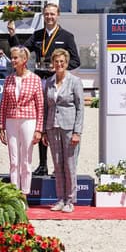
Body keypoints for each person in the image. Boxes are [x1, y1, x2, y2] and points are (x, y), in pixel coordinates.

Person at [8, 2, 80, 176]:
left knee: (56, 124)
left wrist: (59, 69)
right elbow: (23, 52)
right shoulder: (37, 35)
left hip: (57, 83)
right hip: (40, 82)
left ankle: (58, 165)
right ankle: (42, 164)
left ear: (58, 15)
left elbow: (77, 61)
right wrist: (12, 35)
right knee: (41, 122)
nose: (49, 17)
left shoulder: (67, 36)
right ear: (43, 15)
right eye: (46, 14)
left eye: (52, 14)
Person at [43, 48, 84, 213]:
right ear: (53, 63)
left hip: (69, 128)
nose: (59, 64)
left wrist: (77, 132)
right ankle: (60, 198)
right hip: (53, 127)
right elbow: (47, 107)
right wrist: (45, 130)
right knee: (57, 165)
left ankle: (70, 200)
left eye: (62, 62)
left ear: (67, 64)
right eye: (56, 61)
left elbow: (81, 108)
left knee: (70, 165)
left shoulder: (75, 81)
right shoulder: (49, 82)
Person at [0, 47, 44, 195]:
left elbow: (40, 106)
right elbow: (3, 104)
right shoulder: (8, 79)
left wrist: (39, 129)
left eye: (15, 58)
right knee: (13, 160)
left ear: (24, 60)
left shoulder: (35, 79)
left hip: (28, 120)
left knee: (26, 160)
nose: (12, 60)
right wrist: (1, 127)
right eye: (12, 57)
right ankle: (13, 192)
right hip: (11, 121)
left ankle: (24, 193)